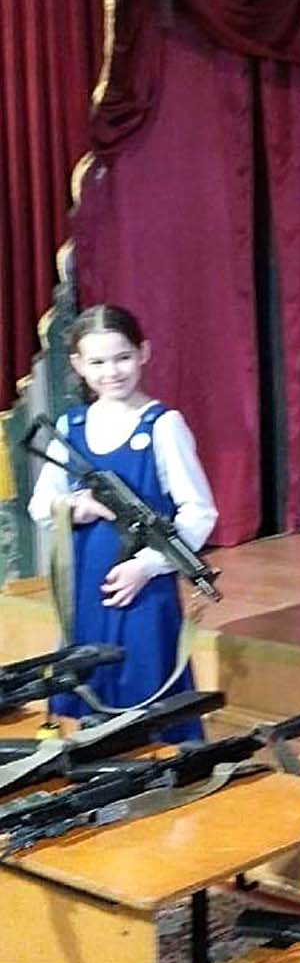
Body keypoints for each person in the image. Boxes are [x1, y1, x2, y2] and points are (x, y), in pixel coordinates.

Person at [28, 304, 217, 742]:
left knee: (152, 692)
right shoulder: (70, 426)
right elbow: (41, 505)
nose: (111, 372)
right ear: (78, 364)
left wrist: (145, 567)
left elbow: (198, 512)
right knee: (90, 687)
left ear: (143, 353)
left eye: (122, 358)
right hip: (85, 585)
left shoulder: (162, 425)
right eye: (97, 362)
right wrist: (77, 506)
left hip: (144, 588)